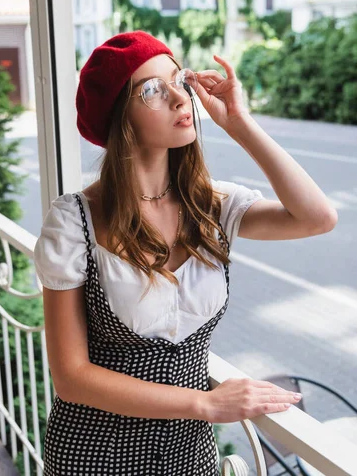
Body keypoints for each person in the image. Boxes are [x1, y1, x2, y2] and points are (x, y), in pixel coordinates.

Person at [34, 30, 337, 475]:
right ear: (121, 117)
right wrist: (206, 403)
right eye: (153, 89)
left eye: (180, 79)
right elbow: (72, 377)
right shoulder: (74, 222)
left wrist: (238, 122)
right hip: (94, 453)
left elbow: (317, 217)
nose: (180, 98)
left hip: (188, 455)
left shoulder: (210, 203)